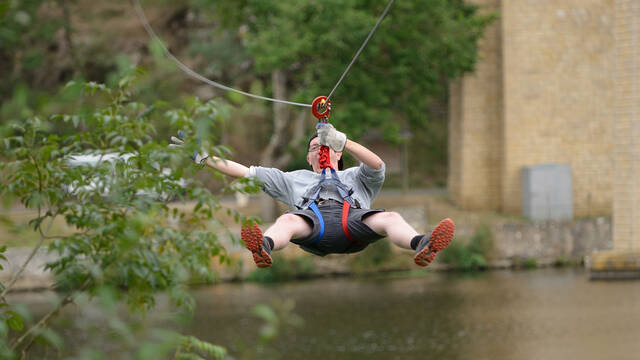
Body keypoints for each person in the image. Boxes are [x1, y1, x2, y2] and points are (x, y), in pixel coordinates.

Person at [170, 124, 454, 268]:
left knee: (390, 217)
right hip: (313, 226)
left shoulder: (356, 177)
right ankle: (264, 246)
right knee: (288, 222)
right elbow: (244, 172)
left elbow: (377, 165)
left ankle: (421, 243)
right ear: (308, 157)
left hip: (353, 223)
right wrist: (205, 158)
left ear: (339, 153)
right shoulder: (292, 179)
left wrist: (344, 140)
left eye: (327, 145)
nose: (321, 148)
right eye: (315, 146)